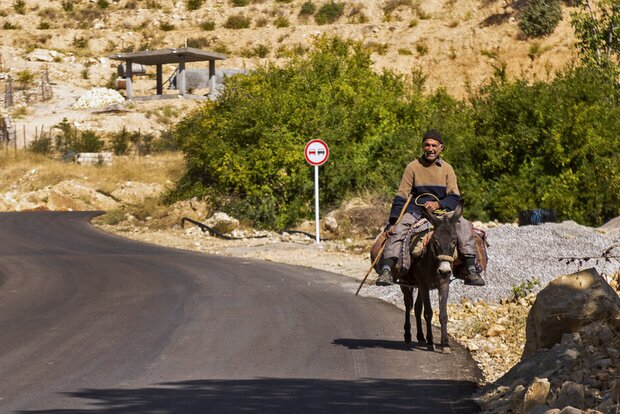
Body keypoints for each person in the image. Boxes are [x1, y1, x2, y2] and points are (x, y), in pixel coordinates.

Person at [376, 129, 485, 287]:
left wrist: (438, 204)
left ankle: (470, 269)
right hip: (416, 211)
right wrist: (393, 221)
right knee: (399, 229)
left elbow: (455, 196)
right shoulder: (412, 167)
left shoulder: (447, 169)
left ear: (441, 148)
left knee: (464, 225)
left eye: (434, 145)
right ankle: (387, 270)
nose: (430, 148)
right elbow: (401, 195)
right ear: (422, 147)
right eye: (427, 145)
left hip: (442, 212)